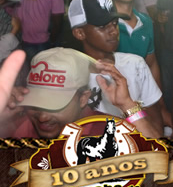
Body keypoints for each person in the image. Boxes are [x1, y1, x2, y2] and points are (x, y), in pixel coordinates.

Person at [1, 47, 159, 138]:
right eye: (36, 103)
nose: (42, 117)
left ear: (83, 98)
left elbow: (160, 159)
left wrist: (128, 105)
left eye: (54, 106)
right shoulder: (19, 125)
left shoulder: (107, 131)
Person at [69, 0, 163, 137]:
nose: (113, 31)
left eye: (114, 23)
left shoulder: (135, 64)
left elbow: (156, 126)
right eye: (102, 26)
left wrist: (129, 107)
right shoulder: (68, 74)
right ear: (80, 33)